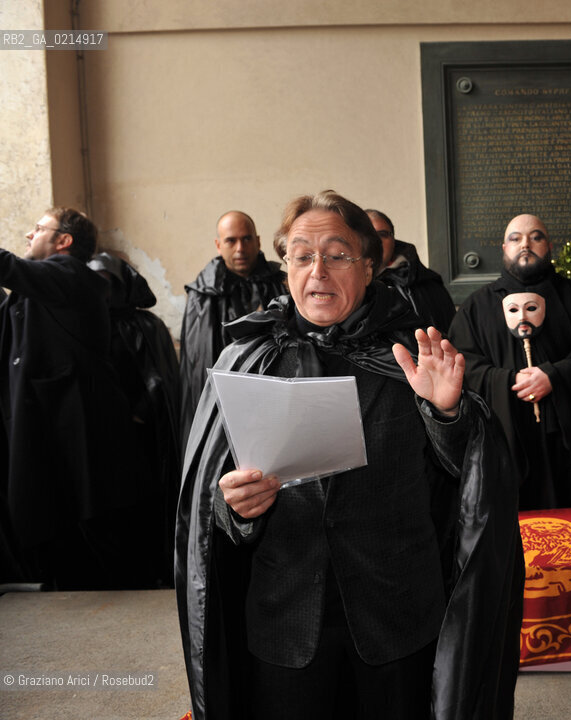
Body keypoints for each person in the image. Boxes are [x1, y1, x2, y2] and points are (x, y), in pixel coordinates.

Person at [175, 191, 521, 720]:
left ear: (368, 266)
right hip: (284, 620)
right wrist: (235, 509)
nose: (318, 270)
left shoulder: (412, 354)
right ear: (284, 265)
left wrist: (447, 414)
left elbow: (465, 482)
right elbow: (210, 505)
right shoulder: (247, 358)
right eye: (301, 254)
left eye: (337, 254)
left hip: (397, 616)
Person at [0, 209, 139, 589]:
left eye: (39, 229)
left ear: (64, 241)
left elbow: (7, 267)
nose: (29, 235)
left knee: (91, 537)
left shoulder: (69, 274)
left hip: (76, 433)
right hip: (56, 432)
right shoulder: (43, 287)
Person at [448, 214, 571, 509]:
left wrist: (555, 376)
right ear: (504, 247)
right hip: (507, 446)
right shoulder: (476, 308)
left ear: (549, 245)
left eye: (535, 237)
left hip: (569, 446)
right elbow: (464, 366)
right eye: (516, 238)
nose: (525, 244)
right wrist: (508, 381)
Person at [89, 252, 182, 587]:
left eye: (106, 282)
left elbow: (163, 380)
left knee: (146, 502)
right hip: (102, 435)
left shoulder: (146, 325)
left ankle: (151, 570)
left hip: (141, 435)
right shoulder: (84, 321)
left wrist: (140, 413)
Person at [178, 211, 286, 438]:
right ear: (219, 245)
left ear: (257, 241)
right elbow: (197, 367)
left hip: (275, 402)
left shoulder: (282, 285)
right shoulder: (203, 296)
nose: (240, 248)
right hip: (222, 406)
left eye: (246, 239)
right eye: (231, 240)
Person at [366, 209, 457, 333]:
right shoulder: (346, 287)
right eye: (368, 235)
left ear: (393, 240)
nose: (376, 241)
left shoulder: (428, 284)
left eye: (382, 234)